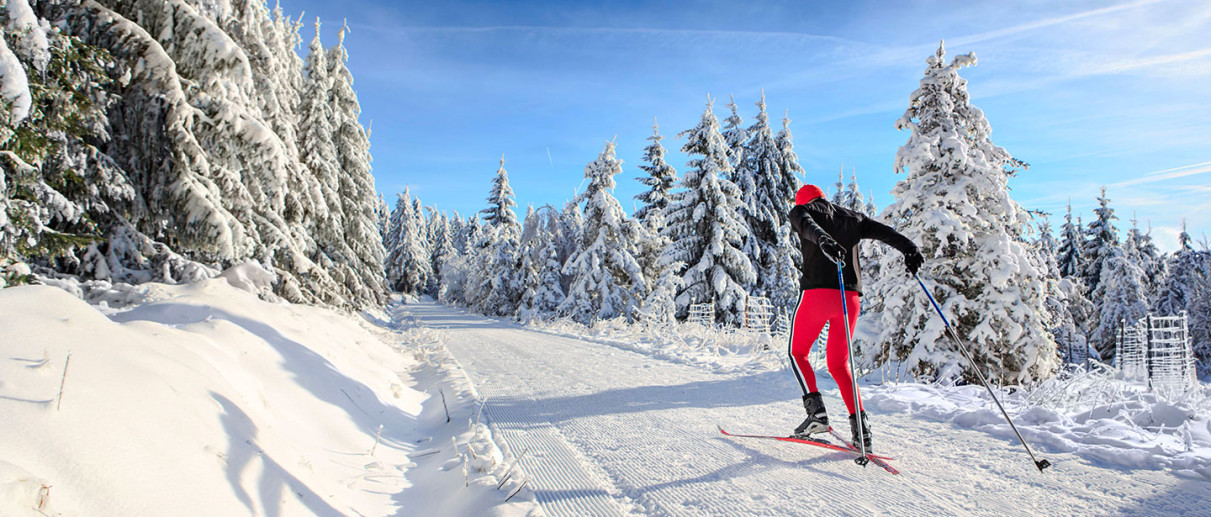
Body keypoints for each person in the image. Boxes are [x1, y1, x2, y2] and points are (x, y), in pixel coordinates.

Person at [786, 184, 923, 450]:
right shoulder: (853, 217)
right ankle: (861, 430)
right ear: (822, 197)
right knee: (839, 364)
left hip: (816, 295)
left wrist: (824, 240)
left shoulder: (801, 211)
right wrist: (910, 249)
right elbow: (887, 233)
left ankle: (817, 414)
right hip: (849, 300)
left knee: (798, 353)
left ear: (802, 200)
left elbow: (807, 228)